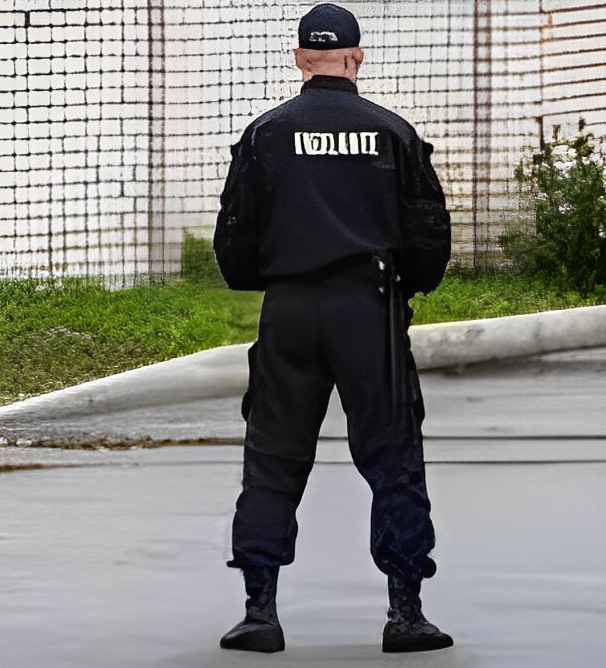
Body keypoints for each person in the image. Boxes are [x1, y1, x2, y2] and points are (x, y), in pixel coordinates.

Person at [212, 2, 453, 655]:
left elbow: (232, 237)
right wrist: (409, 284)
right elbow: (430, 233)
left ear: (298, 58)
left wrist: (271, 279)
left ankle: (259, 611)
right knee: (393, 459)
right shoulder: (392, 133)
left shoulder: (266, 135)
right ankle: (407, 614)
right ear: (356, 57)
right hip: (367, 311)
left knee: (273, 460)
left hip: (289, 311)